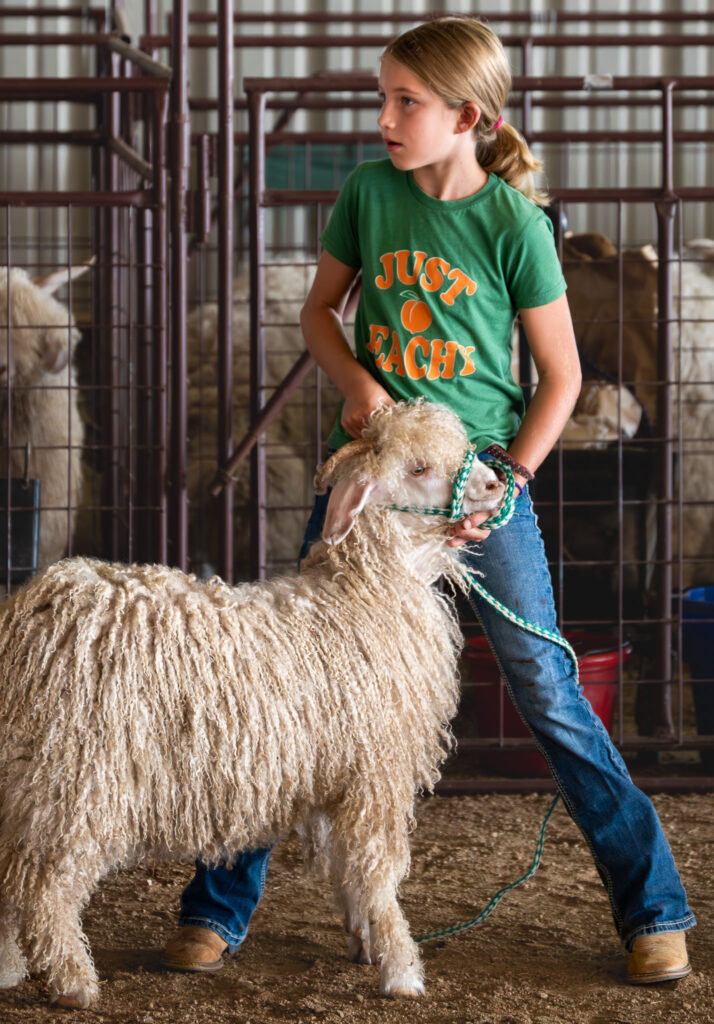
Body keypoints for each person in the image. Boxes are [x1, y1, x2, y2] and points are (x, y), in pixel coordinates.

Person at [163, 16, 695, 984]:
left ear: (468, 117)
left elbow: (563, 377)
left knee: (545, 683)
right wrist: (358, 389)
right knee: (296, 683)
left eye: (406, 101)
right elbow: (318, 311)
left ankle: (652, 901)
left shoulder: (513, 225)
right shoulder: (370, 194)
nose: (385, 118)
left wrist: (513, 483)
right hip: (370, 480)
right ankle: (217, 902)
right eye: (383, 97)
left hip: (472, 484)